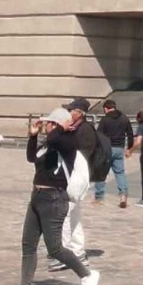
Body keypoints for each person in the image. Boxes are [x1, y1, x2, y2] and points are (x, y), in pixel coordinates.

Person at [0, 107, 100, 285]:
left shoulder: (67, 142)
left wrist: (61, 127)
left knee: (54, 248)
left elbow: (55, 139)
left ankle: (88, 275)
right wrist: (33, 136)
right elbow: (32, 157)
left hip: (54, 198)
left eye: (49, 123)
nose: (45, 126)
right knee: (28, 244)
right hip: (37, 197)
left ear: (58, 125)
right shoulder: (50, 143)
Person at [53, 98, 96, 271]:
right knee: (74, 216)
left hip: (76, 177)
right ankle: (78, 252)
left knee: (64, 214)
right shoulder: (75, 129)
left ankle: (66, 254)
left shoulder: (85, 130)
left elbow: (80, 155)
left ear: (79, 113)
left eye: (71, 110)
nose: (68, 113)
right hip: (73, 176)